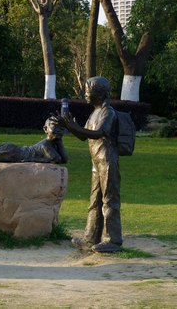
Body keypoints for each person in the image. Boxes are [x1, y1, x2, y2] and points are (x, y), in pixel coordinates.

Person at [57, 76, 122, 253]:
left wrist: (72, 125)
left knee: (109, 200)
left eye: (88, 92)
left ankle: (113, 240)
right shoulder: (95, 112)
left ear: (99, 94)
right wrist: (69, 125)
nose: (85, 95)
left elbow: (98, 133)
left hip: (107, 161)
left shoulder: (108, 112)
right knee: (94, 201)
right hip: (96, 163)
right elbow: (83, 135)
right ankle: (91, 237)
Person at [0, 117, 67, 164]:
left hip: (15, 153)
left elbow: (64, 160)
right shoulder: (45, 145)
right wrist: (59, 143)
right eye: (55, 127)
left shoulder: (52, 144)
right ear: (45, 129)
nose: (59, 130)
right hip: (13, 152)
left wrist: (59, 141)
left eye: (61, 128)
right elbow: (57, 159)